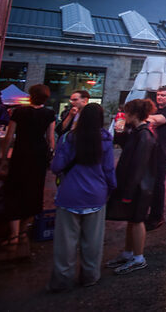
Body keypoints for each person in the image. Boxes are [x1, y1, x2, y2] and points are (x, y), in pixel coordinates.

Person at [49, 103, 116, 291]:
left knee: (65, 243)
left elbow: (56, 167)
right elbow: (109, 169)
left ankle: (62, 279)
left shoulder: (68, 138)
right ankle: (90, 276)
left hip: (70, 194)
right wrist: (110, 189)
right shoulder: (105, 140)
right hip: (96, 194)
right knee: (93, 241)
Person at [0, 83, 55, 250]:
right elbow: (50, 139)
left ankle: (14, 235)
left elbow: (9, 136)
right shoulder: (49, 113)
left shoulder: (19, 112)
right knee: (34, 192)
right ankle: (23, 232)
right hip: (38, 155)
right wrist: (50, 155)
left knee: (14, 191)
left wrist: (3, 157)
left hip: (21, 153)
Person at [106, 99, 158, 275]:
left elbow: (139, 165)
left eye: (127, 112)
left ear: (135, 114)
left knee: (137, 220)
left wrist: (128, 190)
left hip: (139, 186)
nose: (125, 115)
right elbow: (119, 140)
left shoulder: (145, 134)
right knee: (131, 219)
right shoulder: (137, 131)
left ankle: (138, 257)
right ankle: (129, 253)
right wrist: (119, 126)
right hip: (134, 184)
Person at [145, 85, 166, 231]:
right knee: (151, 183)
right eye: (158, 95)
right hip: (154, 150)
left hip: (164, 151)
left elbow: (157, 120)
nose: (159, 97)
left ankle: (157, 217)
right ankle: (151, 213)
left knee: (158, 184)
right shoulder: (156, 109)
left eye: (163, 95)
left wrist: (141, 115)